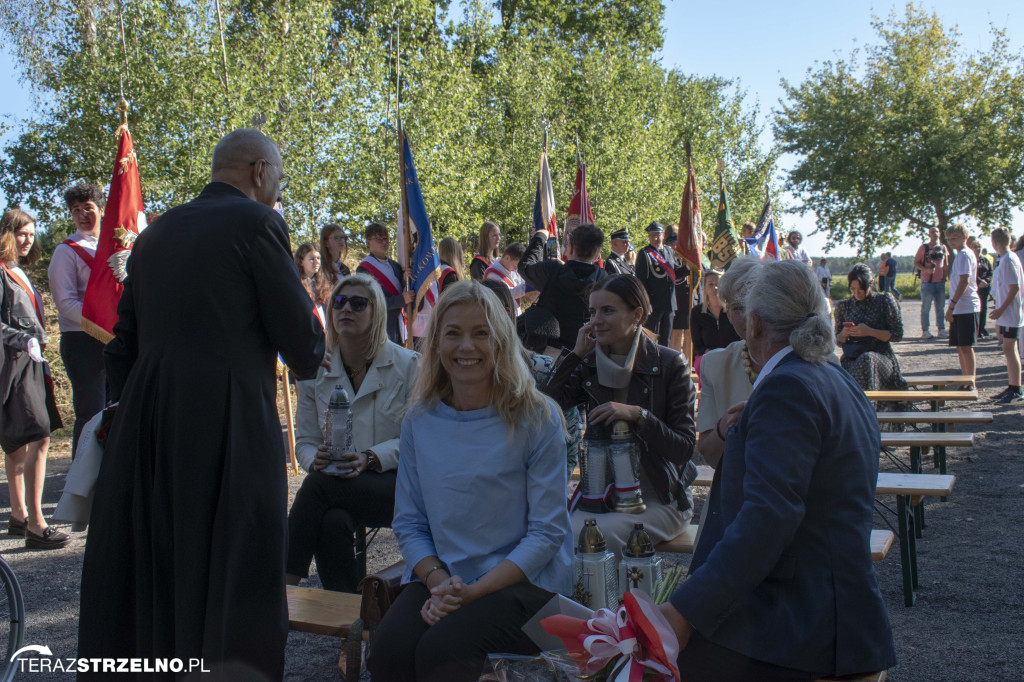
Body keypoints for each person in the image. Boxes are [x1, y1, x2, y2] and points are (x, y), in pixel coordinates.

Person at [77, 129, 326, 679]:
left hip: (150, 424)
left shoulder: (155, 234)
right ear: (260, 171)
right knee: (234, 567)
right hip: (228, 421)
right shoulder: (259, 224)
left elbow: (122, 347)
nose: (278, 189)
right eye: (279, 178)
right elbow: (304, 347)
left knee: (162, 564)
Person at [660, 259, 897, 681]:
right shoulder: (832, 378)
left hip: (796, 627)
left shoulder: (787, 387)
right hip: (831, 617)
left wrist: (684, 610)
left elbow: (768, 518)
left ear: (753, 324)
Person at [369, 281, 572, 682]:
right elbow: (409, 524)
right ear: (436, 344)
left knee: (442, 652)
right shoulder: (419, 421)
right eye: (453, 333)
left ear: (500, 342)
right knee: (389, 650)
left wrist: (472, 593)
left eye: (481, 333)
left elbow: (547, 533)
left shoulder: (537, 417)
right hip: (446, 579)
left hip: (523, 584)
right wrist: (440, 583)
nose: (467, 347)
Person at [542, 274, 698, 553]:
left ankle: (618, 598)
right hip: (602, 495)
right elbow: (545, 405)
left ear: (637, 314)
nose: (596, 320)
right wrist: (575, 355)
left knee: (585, 536)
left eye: (608, 310)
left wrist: (639, 415)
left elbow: (684, 449)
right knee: (554, 534)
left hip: (660, 499)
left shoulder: (670, 364)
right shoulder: (589, 362)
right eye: (592, 311)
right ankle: (596, 598)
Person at [287, 274, 419, 592]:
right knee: (331, 521)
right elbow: (304, 442)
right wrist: (313, 458)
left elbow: (421, 441)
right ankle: (350, 621)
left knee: (318, 487)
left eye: (358, 303)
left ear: (376, 313)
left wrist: (371, 458)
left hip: (400, 485)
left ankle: (282, 587)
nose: (345, 308)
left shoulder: (410, 365)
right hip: (338, 484)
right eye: (339, 302)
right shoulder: (313, 372)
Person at [0, 209, 68, 549]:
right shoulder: (0, 273)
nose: (27, 240)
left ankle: (18, 515)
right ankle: (37, 525)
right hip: (13, 365)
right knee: (37, 436)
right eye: (21, 234)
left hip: (30, 363)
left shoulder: (17, 271)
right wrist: (21, 339)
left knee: (20, 439)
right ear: (6, 234)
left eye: (31, 234)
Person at [480, 278, 582, 477]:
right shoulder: (461, 375)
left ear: (506, 313)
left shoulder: (542, 369)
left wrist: (552, 486)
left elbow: (570, 436)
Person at [48, 182, 105, 458]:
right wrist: (102, 322)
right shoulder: (66, 251)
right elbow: (66, 303)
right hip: (82, 340)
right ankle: (80, 484)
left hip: (113, 338)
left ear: (102, 210)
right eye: (76, 210)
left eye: (88, 208)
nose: (83, 215)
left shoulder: (113, 248)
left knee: (115, 409)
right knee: (91, 411)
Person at [694, 257, 764, 469]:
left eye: (758, 303)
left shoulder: (811, 359)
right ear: (729, 313)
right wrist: (725, 428)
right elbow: (709, 454)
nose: (750, 314)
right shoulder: (715, 365)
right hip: (733, 492)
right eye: (739, 306)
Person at [519, 223, 606, 353]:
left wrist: (540, 236)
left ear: (570, 247)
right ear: (598, 254)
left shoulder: (553, 271)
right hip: (587, 353)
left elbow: (524, 266)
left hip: (547, 352)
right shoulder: (604, 280)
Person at [835, 264, 908, 404]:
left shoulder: (884, 301)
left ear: (871, 283)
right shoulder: (844, 306)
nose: (857, 293)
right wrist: (845, 333)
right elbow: (838, 341)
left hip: (881, 357)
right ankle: (859, 411)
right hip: (852, 358)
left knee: (867, 359)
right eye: (853, 289)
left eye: (861, 289)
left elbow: (897, 334)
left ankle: (865, 409)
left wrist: (870, 332)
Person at [358, 222, 413, 346]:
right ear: (368, 242)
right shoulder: (364, 269)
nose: (384, 242)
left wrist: (405, 280)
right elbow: (370, 302)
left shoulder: (396, 266)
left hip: (399, 324)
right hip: (381, 326)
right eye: (378, 239)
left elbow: (401, 290)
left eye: (385, 238)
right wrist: (401, 300)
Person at [988, 228, 1023, 404]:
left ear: (995, 242)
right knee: (1008, 349)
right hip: (1007, 313)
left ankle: (1016, 389)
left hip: (1010, 313)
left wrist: (1001, 309)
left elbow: (1014, 287)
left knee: (1010, 349)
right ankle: (1012, 385)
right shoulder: (1007, 259)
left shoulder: (1009, 260)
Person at [944, 224, 980, 385]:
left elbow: (964, 281)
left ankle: (970, 382)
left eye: (955, 238)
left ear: (964, 237)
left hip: (966, 306)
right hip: (959, 307)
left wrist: (951, 305)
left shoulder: (965, 254)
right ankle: (966, 380)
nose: (951, 242)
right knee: (960, 346)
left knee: (966, 346)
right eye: (949, 239)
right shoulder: (959, 255)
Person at [635, 222, 677, 346]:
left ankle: (664, 364)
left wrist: (689, 267)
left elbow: (674, 273)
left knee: (666, 339)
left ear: (663, 236)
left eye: (658, 235)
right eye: (652, 236)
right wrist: (646, 302)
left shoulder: (669, 251)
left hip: (669, 302)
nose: (655, 239)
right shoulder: (645, 253)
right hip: (654, 303)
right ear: (649, 237)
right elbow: (641, 281)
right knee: (650, 338)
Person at [689, 268, 740, 361]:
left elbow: (741, 340)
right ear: (704, 287)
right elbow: (698, 346)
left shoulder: (734, 310)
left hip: (733, 358)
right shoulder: (697, 312)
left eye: (718, 284)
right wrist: (714, 355)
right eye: (711, 284)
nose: (715, 288)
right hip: (709, 359)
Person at [914, 226, 948, 339]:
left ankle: (941, 329)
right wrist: (926, 270)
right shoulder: (924, 248)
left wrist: (945, 277)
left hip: (940, 282)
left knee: (940, 307)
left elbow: (945, 264)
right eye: (932, 232)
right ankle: (925, 330)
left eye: (937, 232)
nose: (935, 234)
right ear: (929, 235)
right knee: (926, 307)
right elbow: (916, 263)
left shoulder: (943, 248)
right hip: (927, 282)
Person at [484, 242, 528, 316]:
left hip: (515, 316)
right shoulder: (492, 274)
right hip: (502, 319)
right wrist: (528, 287)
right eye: (515, 266)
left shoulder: (512, 270)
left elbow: (523, 281)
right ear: (507, 258)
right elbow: (507, 293)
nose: (516, 269)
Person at [295, 242, 330, 322]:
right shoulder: (296, 284)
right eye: (312, 259)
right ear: (301, 262)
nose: (317, 262)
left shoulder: (322, 284)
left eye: (318, 258)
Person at [969, 236, 993, 339]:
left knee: (984, 308)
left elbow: (990, 272)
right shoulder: (971, 260)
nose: (978, 249)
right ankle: (976, 329)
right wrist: (979, 281)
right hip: (976, 287)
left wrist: (987, 281)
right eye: (975, 247)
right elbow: (970, 273)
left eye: (979, 247)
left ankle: (982, 327)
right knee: (977, 309)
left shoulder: (985, 260)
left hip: (985, 288)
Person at [320, 223, 351, 287]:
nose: (342, 241)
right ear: (326, 243)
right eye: (336, 238)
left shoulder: (345, 269)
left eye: (343, 237)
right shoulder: (320, 267)